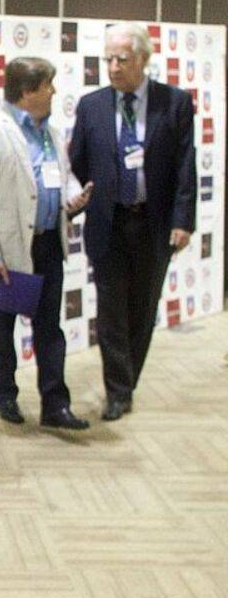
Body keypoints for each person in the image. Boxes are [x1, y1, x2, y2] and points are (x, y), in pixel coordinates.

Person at [69, 23, 195, 420]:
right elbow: (77, 161)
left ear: (143, 59)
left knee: (142, 309)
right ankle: (118, 392)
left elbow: (185, 166)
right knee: (111, 312)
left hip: (153, 224)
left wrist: (183, 220)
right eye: (108, 59)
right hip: (108, 222)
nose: (113, 67)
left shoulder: (174, 103)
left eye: (122, 59)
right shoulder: (91, 105)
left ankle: (128, 381)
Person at [0, 57, 93, 430]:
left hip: (50, 243)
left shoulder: (51, 132)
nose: (54, 92)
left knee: (50, 327)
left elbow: (61, 177)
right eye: (47, 86)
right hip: (9, 249)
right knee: (2, 326)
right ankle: (5, 394)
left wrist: (72, 196)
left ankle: (56, 404)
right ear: (26, 92)